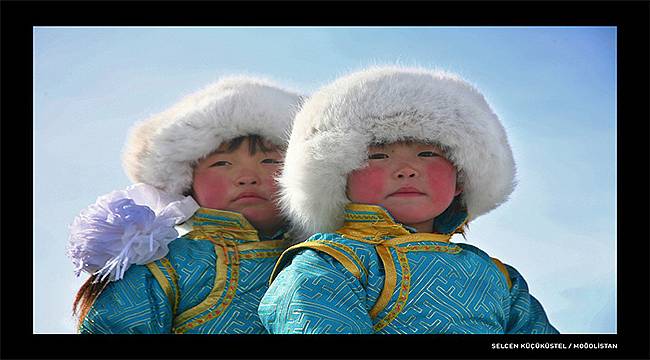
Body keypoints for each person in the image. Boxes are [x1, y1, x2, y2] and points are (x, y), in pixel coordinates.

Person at [259, 66, 559, 334]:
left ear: (461, 178)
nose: (405, 170)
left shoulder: (500, 279)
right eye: (378, 156)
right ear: (340, 178)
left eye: (427, 154)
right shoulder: (327, 265)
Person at [67, 76, 303, 333]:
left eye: (269, 161)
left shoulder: (322, 258)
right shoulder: (166, 264)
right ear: (187, 180)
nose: (247, 177)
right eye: (222, 163)